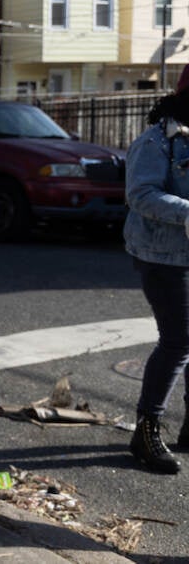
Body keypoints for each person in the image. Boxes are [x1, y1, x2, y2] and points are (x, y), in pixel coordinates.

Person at [124, 63, 189, 474]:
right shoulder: (158, 141)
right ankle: (145, 432)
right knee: (178, 341)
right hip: (163, 257)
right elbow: (140, 195)